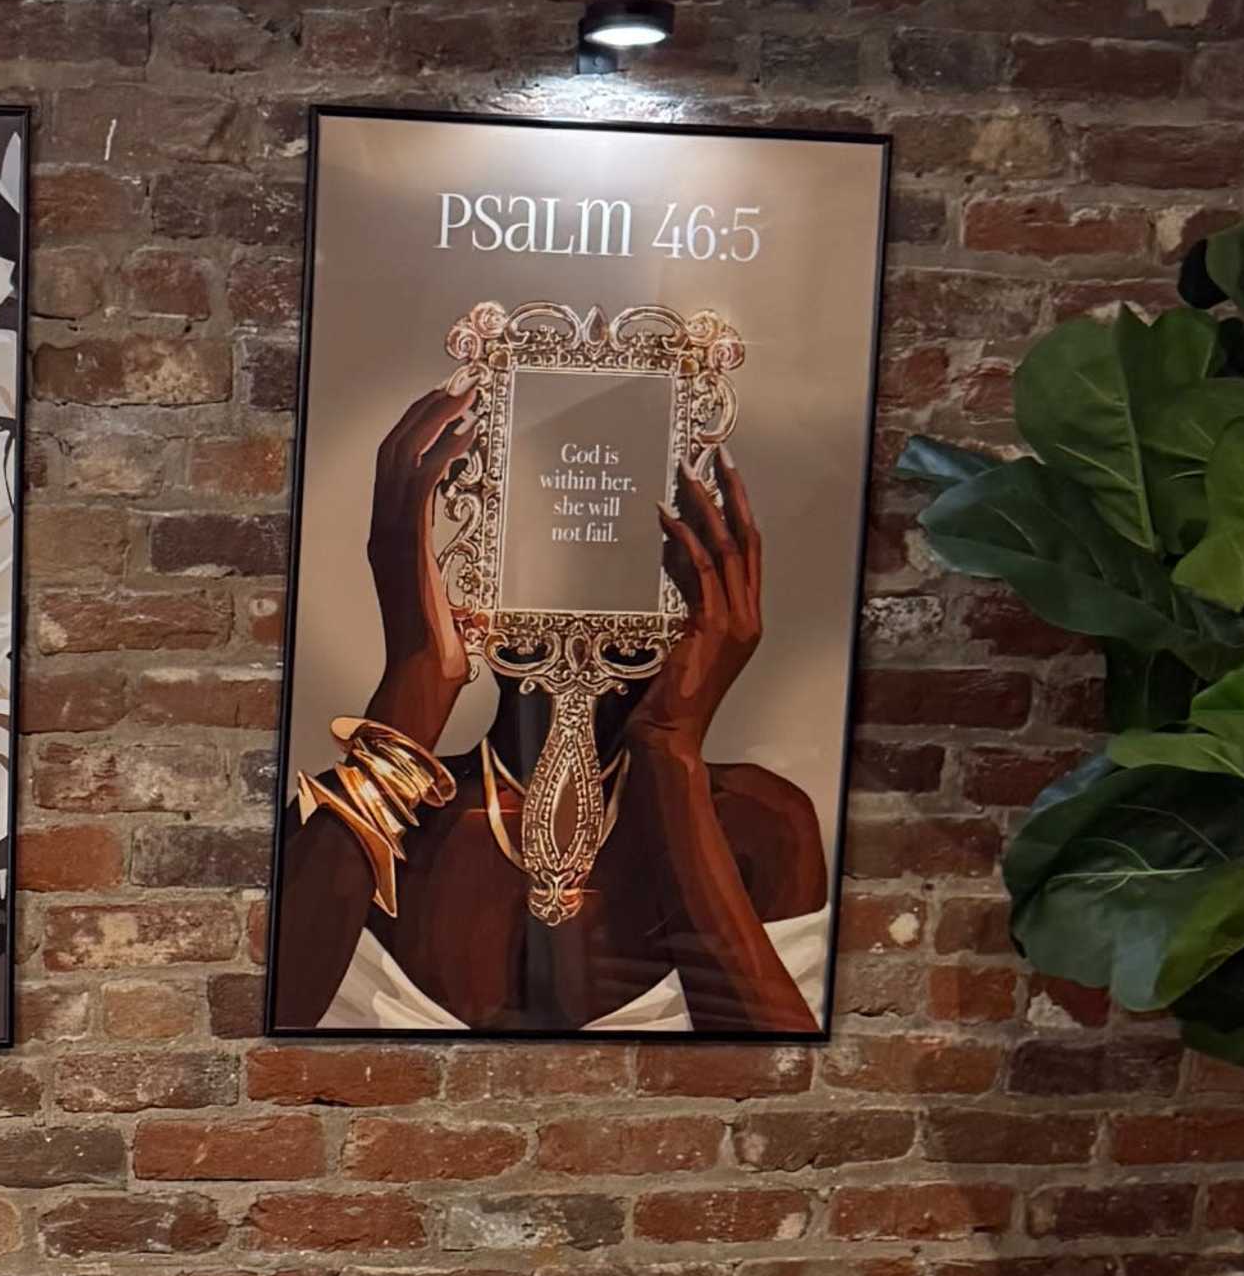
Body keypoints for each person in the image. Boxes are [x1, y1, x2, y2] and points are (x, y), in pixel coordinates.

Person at [270, 382, 828, 1040]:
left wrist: (670, 750)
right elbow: (257, 1035)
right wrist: (411, 685)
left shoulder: (759, 825)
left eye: (616, 547)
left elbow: (783, 1083)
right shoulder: (359, 827)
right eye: (530, 534)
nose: (571, 581)